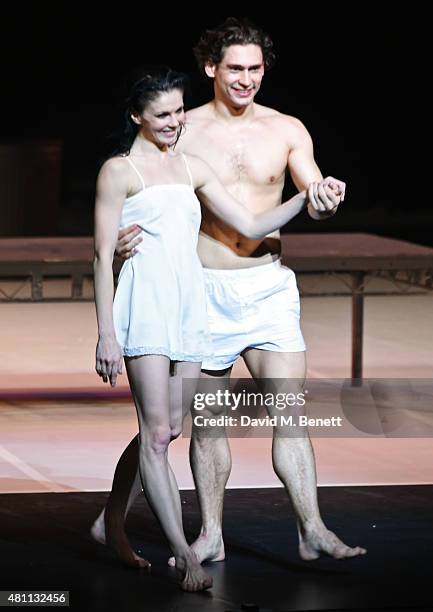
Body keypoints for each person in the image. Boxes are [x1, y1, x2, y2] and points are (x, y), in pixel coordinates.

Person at [92, 17, 365, 571]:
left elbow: (307, 191)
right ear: (211, 69)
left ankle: (312, 529)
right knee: (188, 423)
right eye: (235, 68)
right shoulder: (178, 127)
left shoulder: (287, 128)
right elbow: (136, 199)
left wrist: (323, 196)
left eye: (256, 69)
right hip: (201, 289)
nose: (246, 79)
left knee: (289, 409)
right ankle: (208, 533)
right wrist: (120, 247)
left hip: (266, 287)